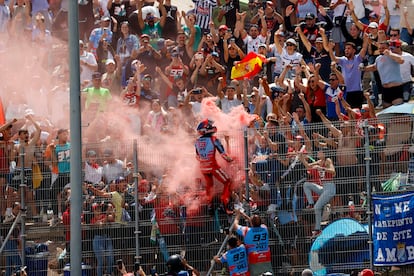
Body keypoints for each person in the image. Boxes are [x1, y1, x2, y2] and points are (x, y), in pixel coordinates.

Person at [195, 119, 233, 213]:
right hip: (213, 167)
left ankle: (210, 205)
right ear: (206, 129)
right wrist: (230, 160)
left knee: (209, 185)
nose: (213, 127)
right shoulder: (214, 139)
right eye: (210, 126)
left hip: (203, 168)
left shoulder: (197, 141)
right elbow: (223, 154)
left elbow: (197, 156)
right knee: (228, 181)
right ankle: (223, 204)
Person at [299, 148, 336, 238]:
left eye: (320, 152)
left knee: (317, 207)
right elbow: (308, 166)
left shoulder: (327, 160)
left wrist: (321, 168)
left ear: (324, 153)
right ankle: (311, 203)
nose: (318, 153)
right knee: (306, 184)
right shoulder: (319, 161)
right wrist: (301, 158)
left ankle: (317, 229)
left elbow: (333, 171)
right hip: (324, 188)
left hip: (330, 188)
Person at [11, 115, 41, 217]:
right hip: (18, 170)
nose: (27, 135)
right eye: (24, 134)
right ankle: (15, 214)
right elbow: (11, 158)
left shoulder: (32, 143)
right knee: (15, 193)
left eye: (27, 133)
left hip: (28, 170)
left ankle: (35, 215)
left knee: (29, 194)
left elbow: (39, 130)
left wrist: (31, 119)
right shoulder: (17, 146)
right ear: (20, 136)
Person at [361, 40, 404, 108]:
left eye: (383, 48)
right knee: (387, 112)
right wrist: (363, 68)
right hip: (385, 89)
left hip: (396, 88)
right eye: (379, 48)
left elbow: (401, 60)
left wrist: (390, 54)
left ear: (388, 48)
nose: (381, 50)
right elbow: (374, 67)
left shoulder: (394, 55)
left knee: (398, 112)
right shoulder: (378, 58)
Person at [234, 211, 273, 275]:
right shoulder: (264, 228)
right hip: (265, 256)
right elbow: (255, 223)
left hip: (254, 257)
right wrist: (245, 216)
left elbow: (235, 226)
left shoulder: (246, 231)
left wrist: (238, 216)